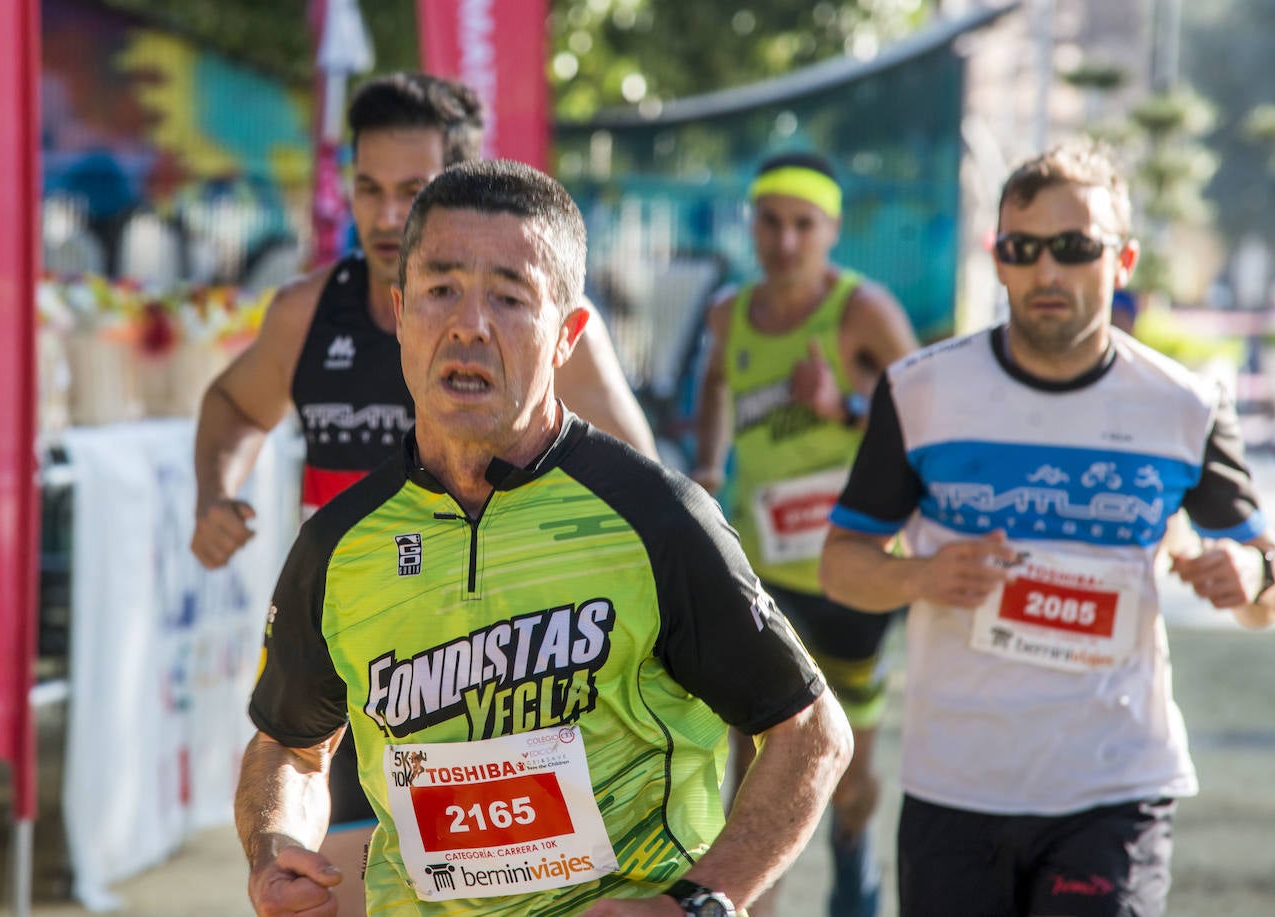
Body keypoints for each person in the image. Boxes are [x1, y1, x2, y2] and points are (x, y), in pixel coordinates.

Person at [235, 158, 854, 917]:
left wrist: (698, 902)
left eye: (509, 296)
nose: (469, 324)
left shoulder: (654, 517)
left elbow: (810, 732)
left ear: (568, 335)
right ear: (400, 313)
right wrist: (275, 849)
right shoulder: (340, 541)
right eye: (439, 290)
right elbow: (288, 745)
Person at [191, 73, 656, 915]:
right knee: (323, 885)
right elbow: (229, 402)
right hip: (357, 667)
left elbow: (643, 483)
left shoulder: (536, 325)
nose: (379, 216)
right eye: (366, 187)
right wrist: (213, 493)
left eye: (408, 191)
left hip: (499, 675)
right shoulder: (308, 314)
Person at [820, 139, 1275, 917]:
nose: (1046, 272)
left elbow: (1267, 580)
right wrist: (918, 576)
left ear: (1123, 260)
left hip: (1114, 785)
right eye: (1023, 249)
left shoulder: (1183, 405)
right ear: (998, 260)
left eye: (1074, 249)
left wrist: (1253, 577)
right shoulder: (921, 391)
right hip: (956, 785)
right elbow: (842, 564)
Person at [689, 151, 918, 917]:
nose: (784, 240)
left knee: (847, 778)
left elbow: (930, 413)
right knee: (758, 772)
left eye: (803, 224)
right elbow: (718, 379)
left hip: (854, 574)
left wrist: (846, 408)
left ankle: (854, 852)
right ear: (751, 225)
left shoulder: (862, 310)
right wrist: (709, 468)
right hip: (766, 574)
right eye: (770, 222)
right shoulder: (729, 312)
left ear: (831, 231)